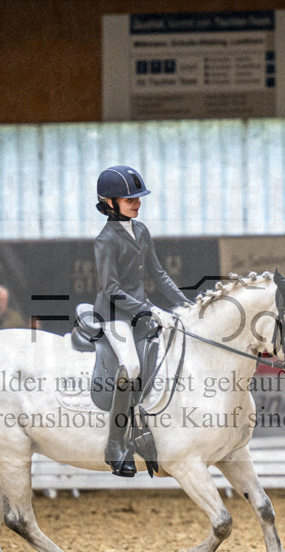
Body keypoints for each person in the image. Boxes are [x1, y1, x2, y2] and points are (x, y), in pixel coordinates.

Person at [93, 165, 189, 477]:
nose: (136, 203)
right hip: (114, 313)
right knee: (132, 367)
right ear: (110, 202)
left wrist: (185, 305)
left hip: (140, 309)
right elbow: (111, 289)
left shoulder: (142, 230)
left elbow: (159, 274)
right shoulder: (105, 240)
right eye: (128, 199)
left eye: (138, 198)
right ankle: (116, 445)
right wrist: (146, 309)